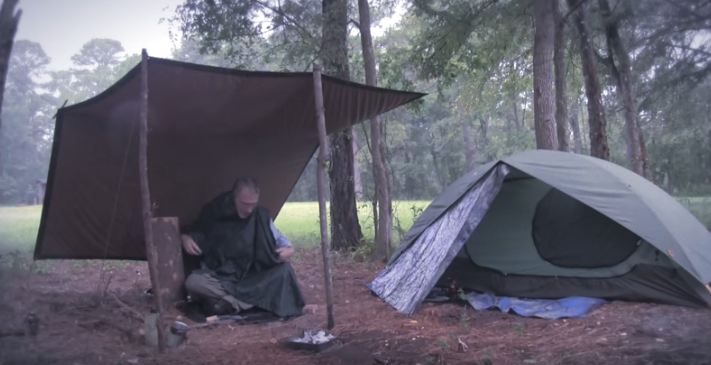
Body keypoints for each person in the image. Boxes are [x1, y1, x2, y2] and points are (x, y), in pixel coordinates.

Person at [181, 177, 305, 318]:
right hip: (223, 276)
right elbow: (199, 230)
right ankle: (243, 302)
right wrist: (186, 237)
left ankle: (231, 303)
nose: (249, 209)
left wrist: (289, 249)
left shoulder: (261, 217)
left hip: (252, 277)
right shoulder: (216, 212)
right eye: (245, 204)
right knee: (193, 283)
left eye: (253, 204)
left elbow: (283, 242)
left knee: (284, 271)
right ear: (234, 197)